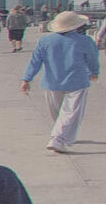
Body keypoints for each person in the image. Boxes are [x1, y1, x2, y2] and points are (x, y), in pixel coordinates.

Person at [20, 9, 100, 152]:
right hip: (77, 82)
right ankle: (58, 138)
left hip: (52, 82)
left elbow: (35, 61)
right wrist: (94, 72)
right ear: (76, 26)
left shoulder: (45, 41)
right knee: (70, 113)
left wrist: (27, 78)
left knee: (58, 113)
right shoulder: (85, 40)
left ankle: (61, 136)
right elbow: (92, 59)